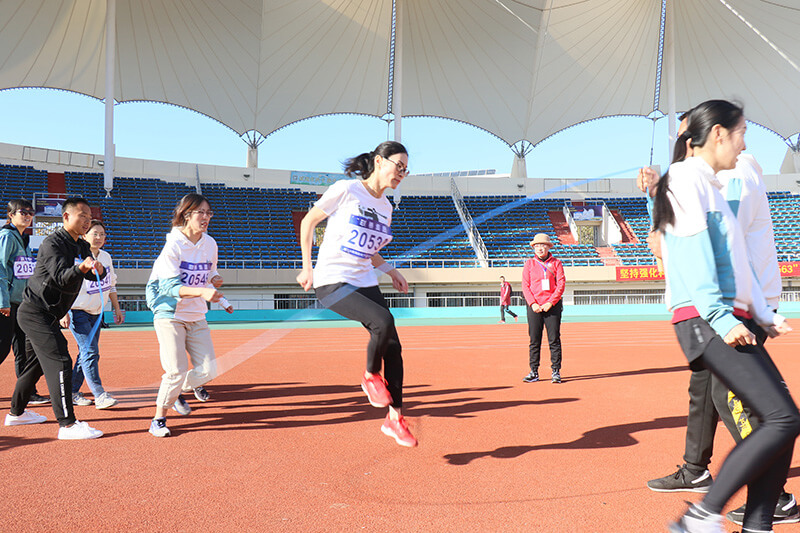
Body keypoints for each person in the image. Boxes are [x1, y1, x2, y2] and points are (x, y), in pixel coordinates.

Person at [649, 100, 800, 533]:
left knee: (783, 422)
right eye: (741, 133)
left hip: (725, 314)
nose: (744, 143)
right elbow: (694, 260)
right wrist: (724, 317)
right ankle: (701, 515)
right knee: (782, 418)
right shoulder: (683, 178)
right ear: (717, 133)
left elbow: (737, 261)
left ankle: (756, 525)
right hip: (704, 318)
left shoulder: (711, 185)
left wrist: (764, 313)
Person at [296, 140, 417, 447]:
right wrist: (307, 268)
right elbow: (309, 221)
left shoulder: (386, 207)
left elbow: (370, 250)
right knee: (382, 320)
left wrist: (390, 270)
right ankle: (370, 375)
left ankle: (395, 419)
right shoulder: (346, 189)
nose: (401, 172)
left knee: (393, 343)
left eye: (406, 169)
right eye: (397, 165)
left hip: (364, 278)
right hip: (332, 279)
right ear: (379, 162)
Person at [4, 197, 106, 440]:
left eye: (89, 217)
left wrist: (97, 271)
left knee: (36, 364)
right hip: (34, 311)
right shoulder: (53, 243)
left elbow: (84, 276)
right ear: (66, 217)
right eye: (82, 216)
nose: (86, 221)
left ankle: (16, 414)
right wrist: (82, 268)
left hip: (48, 313)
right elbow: (61, 276)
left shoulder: (80, 246)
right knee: (60, 358)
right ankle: (68, 425)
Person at [145, 193, 225, 438]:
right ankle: (158, 419)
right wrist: (203, 290)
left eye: (209, 213)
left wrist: (214, 280)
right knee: (176, 370)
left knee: (210, 369)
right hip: (169, 311)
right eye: (201, 212)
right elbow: (169, 287)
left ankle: (176, 388)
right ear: (186, 214)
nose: (206, 217)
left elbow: (210, 271)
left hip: (196, 313)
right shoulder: (174, 244)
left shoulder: (210, 244)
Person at [60, 220, 125, 410]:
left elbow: (111, 284)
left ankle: (72, 391)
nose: (99, 238)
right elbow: (64, 284)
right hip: (77, 310)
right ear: (84, 236)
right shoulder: (76, 257)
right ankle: (99, 394)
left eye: (102, 234)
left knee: (86, 353)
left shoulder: (106, 257)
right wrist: (64, 312)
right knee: (90, 351)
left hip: (97, 313)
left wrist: (116, 307)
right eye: (94, 233)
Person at [0, 199, 49, 405]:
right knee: (2, 348)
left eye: (31, 212)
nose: (28, 215)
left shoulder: (25, 240)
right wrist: (2, 300)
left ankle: (27, 391)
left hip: (23, 304)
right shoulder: (7, 237)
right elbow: (0, 269)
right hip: (6, 304)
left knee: (24, 349)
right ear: (11, 215)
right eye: (23, 212)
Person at [521, 233, 565, 384]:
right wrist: (533, 303)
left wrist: (550, 302)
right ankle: (534, 371)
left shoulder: (557, 263)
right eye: (537, 246)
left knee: (554, 340)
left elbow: (560, 285)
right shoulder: (529, 264)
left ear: (548, 247)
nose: (540, 248)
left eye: (543, 245)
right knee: (534, 340)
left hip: (552, 306)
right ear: (534, 248)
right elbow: (525, 286)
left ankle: (555, 371)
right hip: (534, 307)